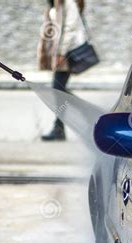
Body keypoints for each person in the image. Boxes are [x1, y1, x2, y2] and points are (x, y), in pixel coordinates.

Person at [38, 0, 87, 141]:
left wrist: (62, 51)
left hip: (66, 53)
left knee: (57, 89)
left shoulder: (68, 2)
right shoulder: (53, 3)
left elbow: (71, 28)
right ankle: (60, 127)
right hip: (56, 53)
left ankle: (60, 128)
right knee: (59, 90)